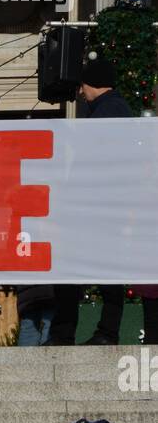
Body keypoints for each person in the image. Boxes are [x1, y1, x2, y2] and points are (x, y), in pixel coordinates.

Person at [64, 57, 134, 345]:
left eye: (82, 85)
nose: (80, 92)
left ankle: (91, 332)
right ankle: (103, 331)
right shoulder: (114, 109)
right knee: (105, 271)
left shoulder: (108, 111)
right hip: (106, 206)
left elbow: (96, 160)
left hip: (100, 207)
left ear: (91, 84)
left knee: (87, 270)